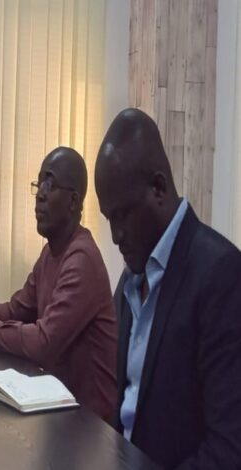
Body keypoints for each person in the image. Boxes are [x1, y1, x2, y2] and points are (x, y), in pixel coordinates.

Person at [95, 108, 241, 468]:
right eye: (108, 218)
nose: (114, 236)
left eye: (122, 215)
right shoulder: (130, 283)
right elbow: (127, 415)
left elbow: (228, 449)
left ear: (158, 188)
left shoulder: (222, 275)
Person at [0, 147, 117, 421]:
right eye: (39, 184)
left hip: (91, 426)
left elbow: (44, 341)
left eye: (50, 184)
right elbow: (17, 309)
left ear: (74, 201)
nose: (40, 195)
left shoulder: (81, 259)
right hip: (56, 409)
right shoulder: (51, 252)